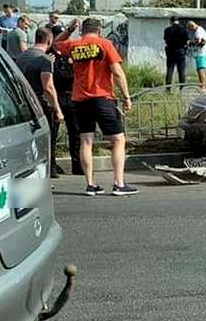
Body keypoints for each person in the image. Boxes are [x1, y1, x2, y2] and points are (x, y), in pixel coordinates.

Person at [54, 18, 138, 197]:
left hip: (79, 99)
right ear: (99, 31)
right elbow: (117, 72)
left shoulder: (74, 45)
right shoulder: (105, 44)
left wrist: (69, 29)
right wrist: (127, 97)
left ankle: (91, 185)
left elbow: (56, 43)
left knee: (86, 140)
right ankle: (119, 184)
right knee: (117, 140)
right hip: (102, 98)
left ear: (82, 31)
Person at [16, 28, 64, 178]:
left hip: (24, 102)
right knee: (49, 137)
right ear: (49, 41)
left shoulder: (22, 56)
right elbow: (48, 87)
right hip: (41, 104)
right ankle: (50, 168)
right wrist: (57, 109)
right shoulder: (45, 59)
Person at [51, 24, 82, 175]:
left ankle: (77, 164)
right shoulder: (49, 56)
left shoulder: (70, 55)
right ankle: (52, 165)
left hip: (71, 96)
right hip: (56, 97)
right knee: (53, 133)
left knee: (75, 133)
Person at [186, 20, 206, 90]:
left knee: (200, 70)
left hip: (201, 53)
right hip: (205, 53)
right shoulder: (201, 29)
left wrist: (190, 42)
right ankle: (204, 85)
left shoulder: (198, 32)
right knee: (203, 69)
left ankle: (202, 87)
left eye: (190, 28)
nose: (191, 30)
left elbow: (199, 41)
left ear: (192, 26)